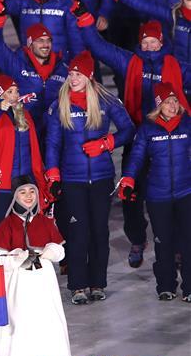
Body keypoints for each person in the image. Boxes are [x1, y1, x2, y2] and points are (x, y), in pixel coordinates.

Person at [77, 13, 190, 268]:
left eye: (154, 41)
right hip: (138, 138)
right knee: (132, 195)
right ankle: (137, 239)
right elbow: (98, 47)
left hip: (169, 142)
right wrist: (85, 20)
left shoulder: (177, 66)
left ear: (162, 43)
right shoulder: (130, 61)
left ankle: (175, 247)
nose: (149, 46)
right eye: (145, 42)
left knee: (173, 194)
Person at [44, 50, 134, 305]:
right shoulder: (58, 104)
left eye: (78, 74)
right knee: (77, 232)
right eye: (71, 74)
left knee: (99, 232)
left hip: (102, 177)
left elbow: (128, 129)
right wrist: (52, 173)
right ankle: (77, 285)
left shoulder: (106, 101)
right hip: (72, 180)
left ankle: (97, 283)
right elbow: (52, 143)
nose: (73, 78)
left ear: (89, 76)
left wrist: (107, 143)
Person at [0, 178, 71, 356]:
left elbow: (60, 250)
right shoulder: (7, 224)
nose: (28, 196)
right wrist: (16, 258)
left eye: (32, 192)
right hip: (17, 284)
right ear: (15, 196)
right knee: (18, 328)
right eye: (22, 192)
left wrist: (51, 252)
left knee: (42, 328)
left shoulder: (45, 222)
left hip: (42, 283)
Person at [119, 82, 191, 302]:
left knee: (188, 241)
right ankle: (166, 285)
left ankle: (189, 287)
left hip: (185, 192)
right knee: (163, 241)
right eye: (167, 102)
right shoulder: (148, 128)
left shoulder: (187, 125)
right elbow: (137, 157)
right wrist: (128, 179)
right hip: (157, 196)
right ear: (159, 105)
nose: (172, 105)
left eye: (175, 101)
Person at [0, 75, 48, 227]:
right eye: (9, 91)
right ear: (0, 95)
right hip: (1, 187)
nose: (15, 95)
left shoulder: (25, 115)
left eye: (16, 91)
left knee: (28, 236)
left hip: (26, 184)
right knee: (4, 236)